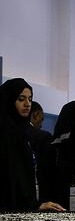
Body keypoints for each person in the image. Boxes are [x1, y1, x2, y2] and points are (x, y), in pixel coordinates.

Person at [0, 78, 59, 211]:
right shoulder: (5, 134)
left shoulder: (23, 134)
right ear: (9, 100)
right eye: (21, 99)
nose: (27, 104)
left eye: (30, 99)